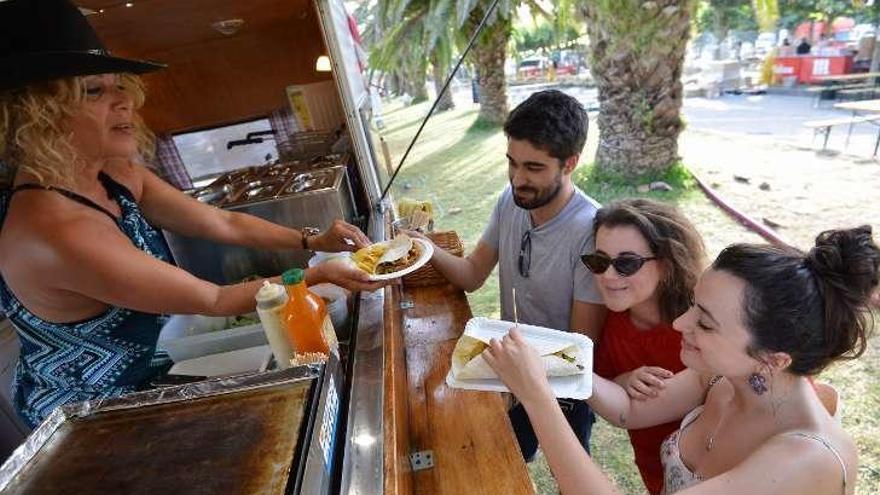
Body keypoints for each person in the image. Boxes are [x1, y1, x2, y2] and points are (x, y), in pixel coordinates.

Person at [0, 0, 387, 428]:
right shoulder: (53, 231)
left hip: (160, 362)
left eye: (119, 85)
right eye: (94, 90)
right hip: (93, 414)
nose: (125, 100)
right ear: (34, 112)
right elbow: (213, 300)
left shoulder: (113, 172)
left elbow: (222, 222)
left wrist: (311, 242)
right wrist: (315, 275)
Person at [485, 225, 877, 494]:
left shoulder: (808, 459)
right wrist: (557, 363)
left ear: (772, 359)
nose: (679, 323)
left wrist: (536, 396)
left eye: (704, 323)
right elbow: (628, 413)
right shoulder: (721, 379)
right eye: (693, 305)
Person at [422, 90, 607, 461]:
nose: (517, 179)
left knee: (568, 469)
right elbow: (473, 274)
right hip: (513, 369)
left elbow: (578, 347)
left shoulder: (591, 232)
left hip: (561, 383)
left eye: (533, 168)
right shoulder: (510, 201)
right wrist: (424, 249)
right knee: (511, 456)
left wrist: (522, 380)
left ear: (569, 163)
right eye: (512, 163)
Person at [587, 199, 705, 494]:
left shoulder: (703, 324)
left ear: (666, 265)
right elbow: (604, 381)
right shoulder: (609, 322)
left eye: (627, 263)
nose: (608, 275)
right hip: (654, 466)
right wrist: (624, 380)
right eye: (599, 261)